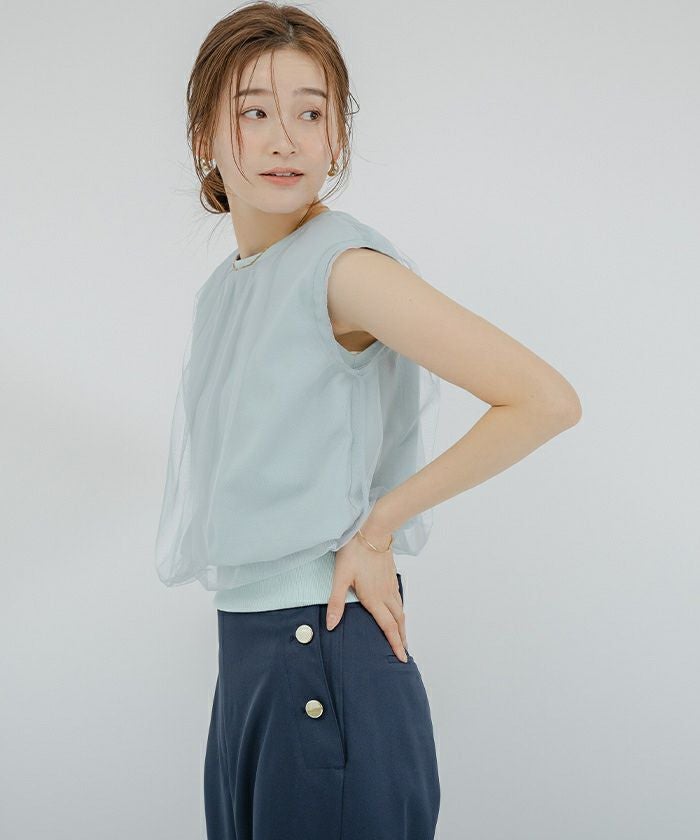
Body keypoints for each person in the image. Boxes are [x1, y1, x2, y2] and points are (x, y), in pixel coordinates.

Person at [154, 3, 582, 839]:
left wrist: (379, 527)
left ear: (337, 136)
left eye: (311, 113)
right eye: (255, 112)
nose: (286, 139)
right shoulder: (225, 291)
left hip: (322, 656)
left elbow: (544, 399)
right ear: (205, 132)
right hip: (250, 666)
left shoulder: (344, 268)